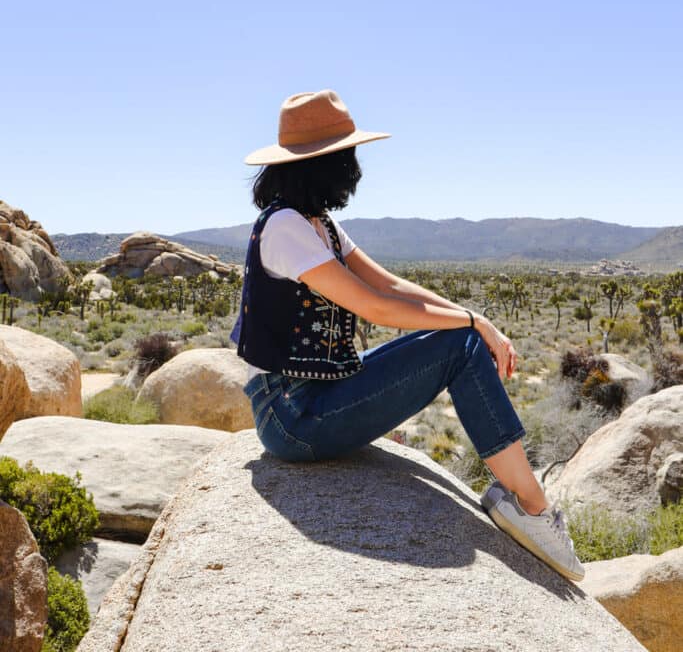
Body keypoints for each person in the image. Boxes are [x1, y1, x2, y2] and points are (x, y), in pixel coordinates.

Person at [231, 89, 584, 582]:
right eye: (347, 155)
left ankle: (523, 501)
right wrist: (470, 326)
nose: (355, 168)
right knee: (458, 345)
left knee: (459, 337)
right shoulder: (286, 226)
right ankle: (531, 507)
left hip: (315, 395)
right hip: (292, 415)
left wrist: (472, 315)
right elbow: (374, 305)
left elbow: (390, 284)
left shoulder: (319, 226)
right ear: (323, 163)